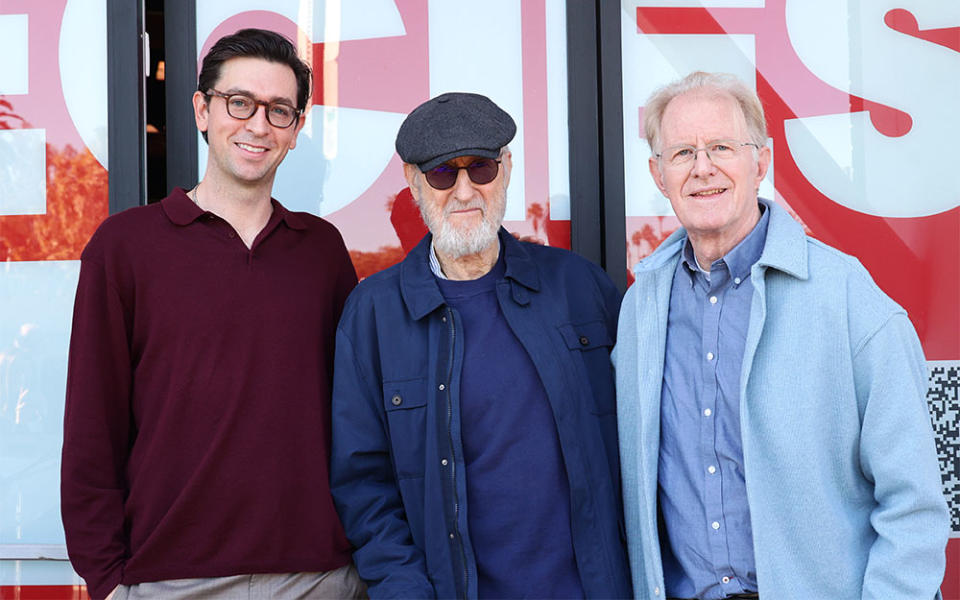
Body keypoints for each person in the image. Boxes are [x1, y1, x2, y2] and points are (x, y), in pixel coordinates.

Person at [613, 70, 949, 600]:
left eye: (722, 147)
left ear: (761, 161)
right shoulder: (642, 309)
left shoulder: (847, 298)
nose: (703, 169)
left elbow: (915, 506)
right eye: (681, 153)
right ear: (658, 174)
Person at [60, 28, 363, 600]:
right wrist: (107, 580)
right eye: (239, 102)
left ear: (297, 130)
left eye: (279, 110)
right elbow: (91, 428)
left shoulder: (322, 251)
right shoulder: (124, 247)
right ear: (202, 110)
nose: (257, 125)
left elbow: (357, 416)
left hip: (316, 577)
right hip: (168, 580)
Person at [330, 92, 632, 599]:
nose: (464, 191)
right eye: (443, 174)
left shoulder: (580, 289)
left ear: (507, 169)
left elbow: (646, 444)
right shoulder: (374, 315)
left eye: (482, 169)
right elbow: (363, 486)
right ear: (413, 182)